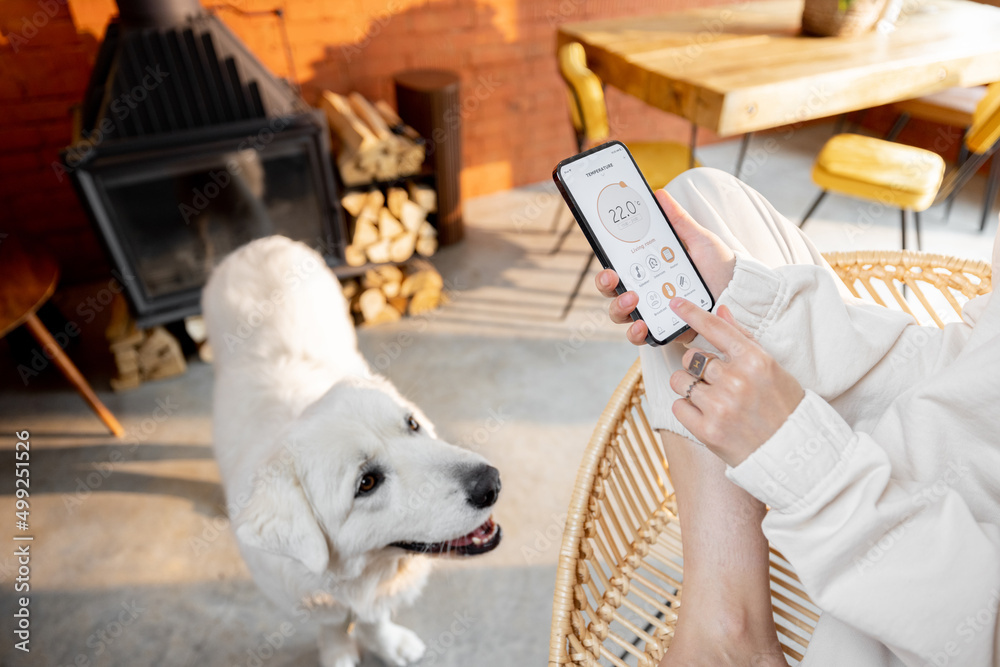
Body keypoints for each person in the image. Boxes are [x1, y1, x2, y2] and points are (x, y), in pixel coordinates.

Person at [593, 167, 1000, 667]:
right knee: (700, 203)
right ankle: (730, 623)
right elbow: (976, 371)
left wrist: (800, 460)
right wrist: (751, 305)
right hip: (955, 449)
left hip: (934, 586)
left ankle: (724, 638)